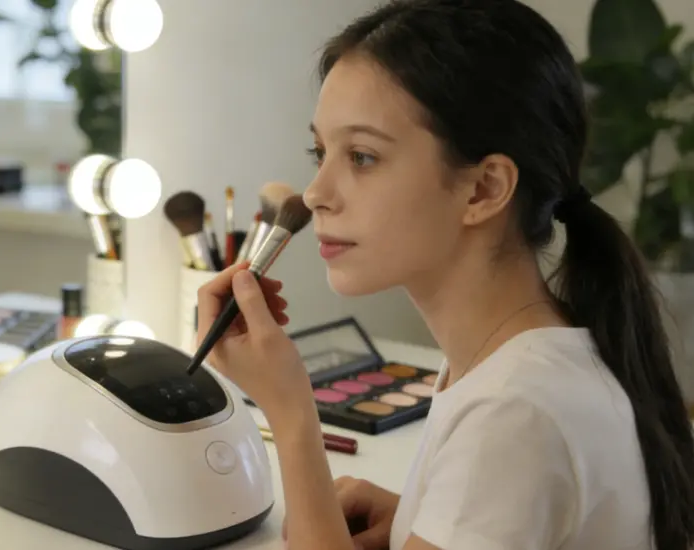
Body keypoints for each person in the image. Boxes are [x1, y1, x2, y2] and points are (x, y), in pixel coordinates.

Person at [195, 0, 694, 549]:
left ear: (483, 189)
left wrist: (291, 416)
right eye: (321, 152)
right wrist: (421, 518)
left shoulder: (513, 412)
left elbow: (512, 449)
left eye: (361, 156)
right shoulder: (518, 363)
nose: (315, 193)